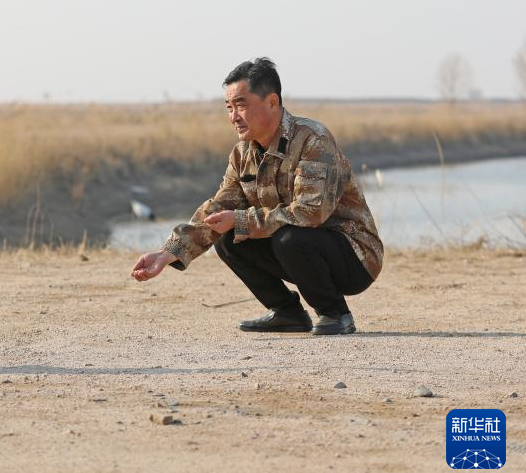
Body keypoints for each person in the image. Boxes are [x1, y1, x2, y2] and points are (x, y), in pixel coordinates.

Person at [131, 58, 383, 335]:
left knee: (287, 237)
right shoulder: (242, 154)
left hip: (354, 257)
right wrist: (167, 253)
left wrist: (241, 219)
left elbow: (311, 213)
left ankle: (335, 314)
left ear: (272, 102)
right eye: (229, 107)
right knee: (229, 239)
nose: (234, 116)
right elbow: (219, 209)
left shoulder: (313, 139)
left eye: (241, 105)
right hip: (301, 249)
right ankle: (287, 313)